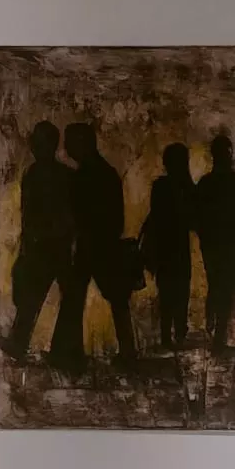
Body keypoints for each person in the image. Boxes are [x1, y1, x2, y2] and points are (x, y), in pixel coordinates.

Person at [50, 122, 136, 371]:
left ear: (83, 144)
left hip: (91, 245)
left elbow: (76, 215)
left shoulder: (83, 176)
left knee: (75, 297)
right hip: (104, 244)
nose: (66, 149)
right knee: (114, 298)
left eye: (70, 143)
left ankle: (66, 353)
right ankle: (126, 353)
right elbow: (117, 218)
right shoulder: (106, 173)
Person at [0, 121, 75, 363]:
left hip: (43, 246)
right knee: (66, 298)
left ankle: (21, 344)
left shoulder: (34, 175)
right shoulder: (65, 175)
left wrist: (27, 247)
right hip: (59, 245)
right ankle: (62, 351)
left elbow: (29, 217)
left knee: (33, 299)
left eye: (37, 142)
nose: (33, 146)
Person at [195, 134, 235, 355]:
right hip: (227, 246)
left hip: (218, 245)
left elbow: (198, 218)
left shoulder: (208, 184)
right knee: (224, 289)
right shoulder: (234, 183)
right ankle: (217, 335)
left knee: (218, 287)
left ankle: (214, 331)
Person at [141, 142, 195, 349]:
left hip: (164, 247)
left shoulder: (161, 186)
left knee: (167, 293)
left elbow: (156, 216)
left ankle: (166, 335)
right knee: (181, 290)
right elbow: (192, 218)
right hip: (178, 246)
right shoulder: (186, 187)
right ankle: (179, 332)